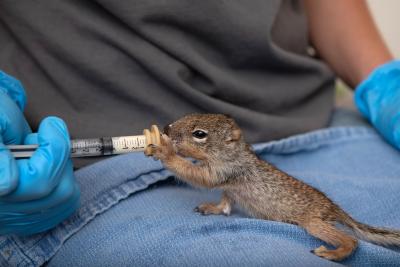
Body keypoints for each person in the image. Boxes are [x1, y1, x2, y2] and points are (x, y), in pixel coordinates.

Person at [0, 0, 399, 266]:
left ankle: (343, 244)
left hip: (322, 123)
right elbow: (216, 180)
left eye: (200, 137)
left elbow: (207, 176)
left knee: (358, 238)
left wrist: (382, 79)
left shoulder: (228, 164)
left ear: (228, 142)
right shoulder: (228, 163)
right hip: (97, 177)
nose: (182, 138)